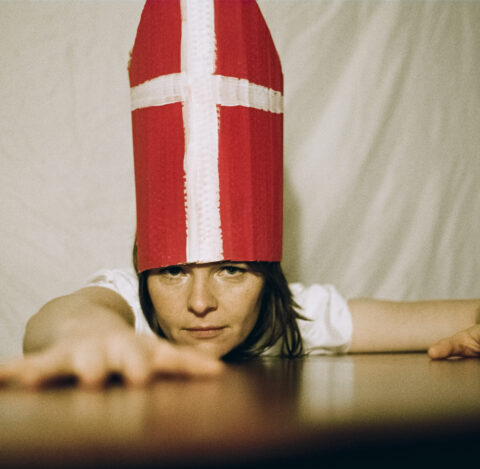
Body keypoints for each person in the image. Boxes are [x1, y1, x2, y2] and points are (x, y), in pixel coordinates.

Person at [1, 0, 479, 389]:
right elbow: (59, 318)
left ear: (265, 271)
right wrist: (95, 337)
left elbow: (443, 317)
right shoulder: (131, 311)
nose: (200, 302)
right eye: (172, 271)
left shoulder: (283, 320)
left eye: (230, 269)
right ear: (145, 270)